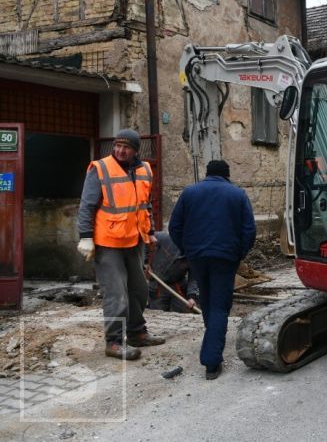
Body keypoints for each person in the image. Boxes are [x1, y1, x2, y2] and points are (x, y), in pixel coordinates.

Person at [77, 128, 166, 361]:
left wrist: (151, 232)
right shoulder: (100, 168)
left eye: (125, 147)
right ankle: (114, 342)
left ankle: (137, 333)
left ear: (136, 150)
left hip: (135, 239)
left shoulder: (145, 169)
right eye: (117, 145)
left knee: (138, 290)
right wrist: (85, 236)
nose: (119, 150)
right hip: (108, 242)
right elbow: (86, 205)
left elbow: (145, 205)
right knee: (116, 294)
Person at [169, 160, 255, 380]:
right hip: (225, 258)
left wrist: (187, 249)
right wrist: (240, 253)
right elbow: (249, 230)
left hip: (197, 257)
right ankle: (211, 361)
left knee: (207, 300)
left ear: (207, 174)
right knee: (219, 306)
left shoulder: (189, 193)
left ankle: (212, 341)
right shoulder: (237, 195)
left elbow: (174, 227)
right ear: (227, 175)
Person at [148, 231, 199, 313]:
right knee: (157, 315)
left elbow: (194, 277)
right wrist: (145, 263)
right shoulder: (163, 238)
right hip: (158, 285)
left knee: (183, 316)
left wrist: (192, 296)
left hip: (178, 286)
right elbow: (144, 242)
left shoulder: (195, 254)